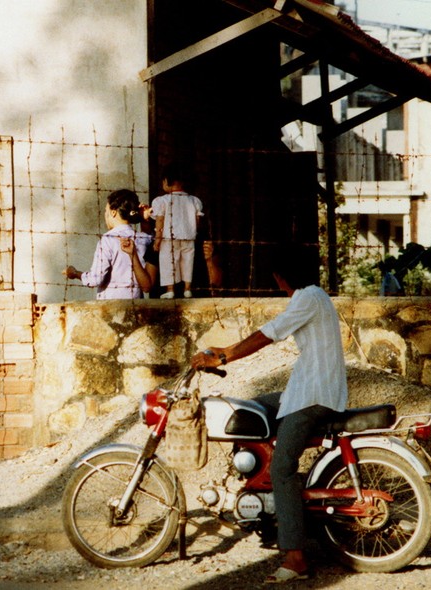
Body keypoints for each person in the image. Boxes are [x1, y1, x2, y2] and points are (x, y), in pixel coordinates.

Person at [190, 247, 348, 583]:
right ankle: (256, 476)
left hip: (313, 396)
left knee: (283, 468)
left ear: (280, 278)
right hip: (304, 390)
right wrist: (224, 351)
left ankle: (295, 558)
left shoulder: (307, 298)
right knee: (252, 408)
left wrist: (224, 357)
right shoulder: (315, 296)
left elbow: (267, 335)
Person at [62, 189, 152, 300]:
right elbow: (149, 237)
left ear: (113, 212)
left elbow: (95, 279)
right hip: (136, 302)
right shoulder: (143, 239)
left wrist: (75, 273)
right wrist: (144, 219)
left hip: (111, 304)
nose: (105, 215)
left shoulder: (108, 239)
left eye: (106, 211)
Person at [151, 163, 203, 299]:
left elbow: (160, 221)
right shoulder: (194, 200)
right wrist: (193, 232)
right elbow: (197, 221)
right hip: (188, 237)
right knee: (187, 261)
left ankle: (170, 290)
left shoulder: (162, 201)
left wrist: (157, 238)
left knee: (169, 261)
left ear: (167, 181)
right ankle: (187, 288)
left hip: (169, 238)